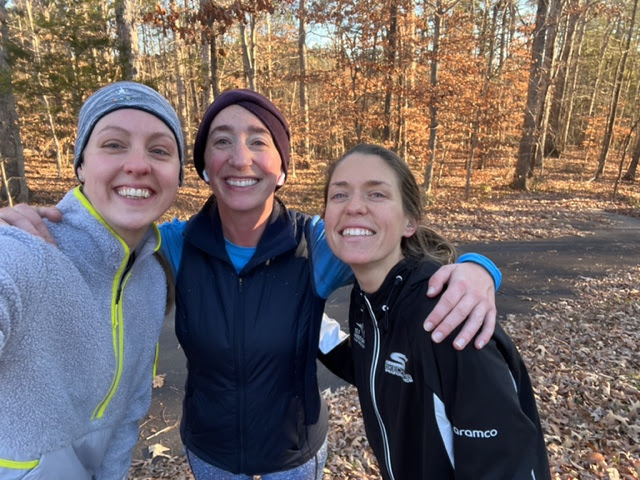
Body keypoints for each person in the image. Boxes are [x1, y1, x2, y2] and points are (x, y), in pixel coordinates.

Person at [0, 89, 500, 479]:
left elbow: (403, 250)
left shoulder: (317, 245)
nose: (240, 158)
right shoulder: (171, 245)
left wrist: (478, 270)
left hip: (294, 454)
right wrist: (23, 223)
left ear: (282, 169)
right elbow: (100, 238)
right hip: (210, 451)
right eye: (221, 141)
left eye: (259, 141)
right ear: (203, 168)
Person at [321, 144, 551, 479]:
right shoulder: (367, 298)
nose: (354, 206)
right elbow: (372, 366)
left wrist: (482, 267)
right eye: (339, 195)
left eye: (377, 194)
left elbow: (507, 466)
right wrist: (304, 323)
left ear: (409, 222)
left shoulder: (447, 311)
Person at [0, 81, 184, 479]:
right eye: (114, 145)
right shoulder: (27, 249)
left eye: (159, 150)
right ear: (81, 164)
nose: (138, 165)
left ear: (178, 174)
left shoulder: (153, 279)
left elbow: (129, 411)